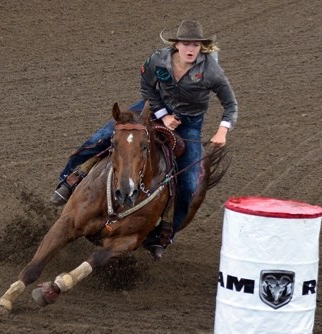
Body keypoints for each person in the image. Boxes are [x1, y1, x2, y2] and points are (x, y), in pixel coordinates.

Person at [50, 20, 238, 255]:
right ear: (176, 45)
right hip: (151, 109)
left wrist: (223, 129)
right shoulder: (158, 60)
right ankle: (67, 181)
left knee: (190, 185)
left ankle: (163, 232)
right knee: (99, 139)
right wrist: (162, 114)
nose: (191, 48)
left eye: (196, 45)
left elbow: (230, 104)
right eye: (186, 43)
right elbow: (147, 86)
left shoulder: (211, 70)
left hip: (189, 123)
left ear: (202, 47)